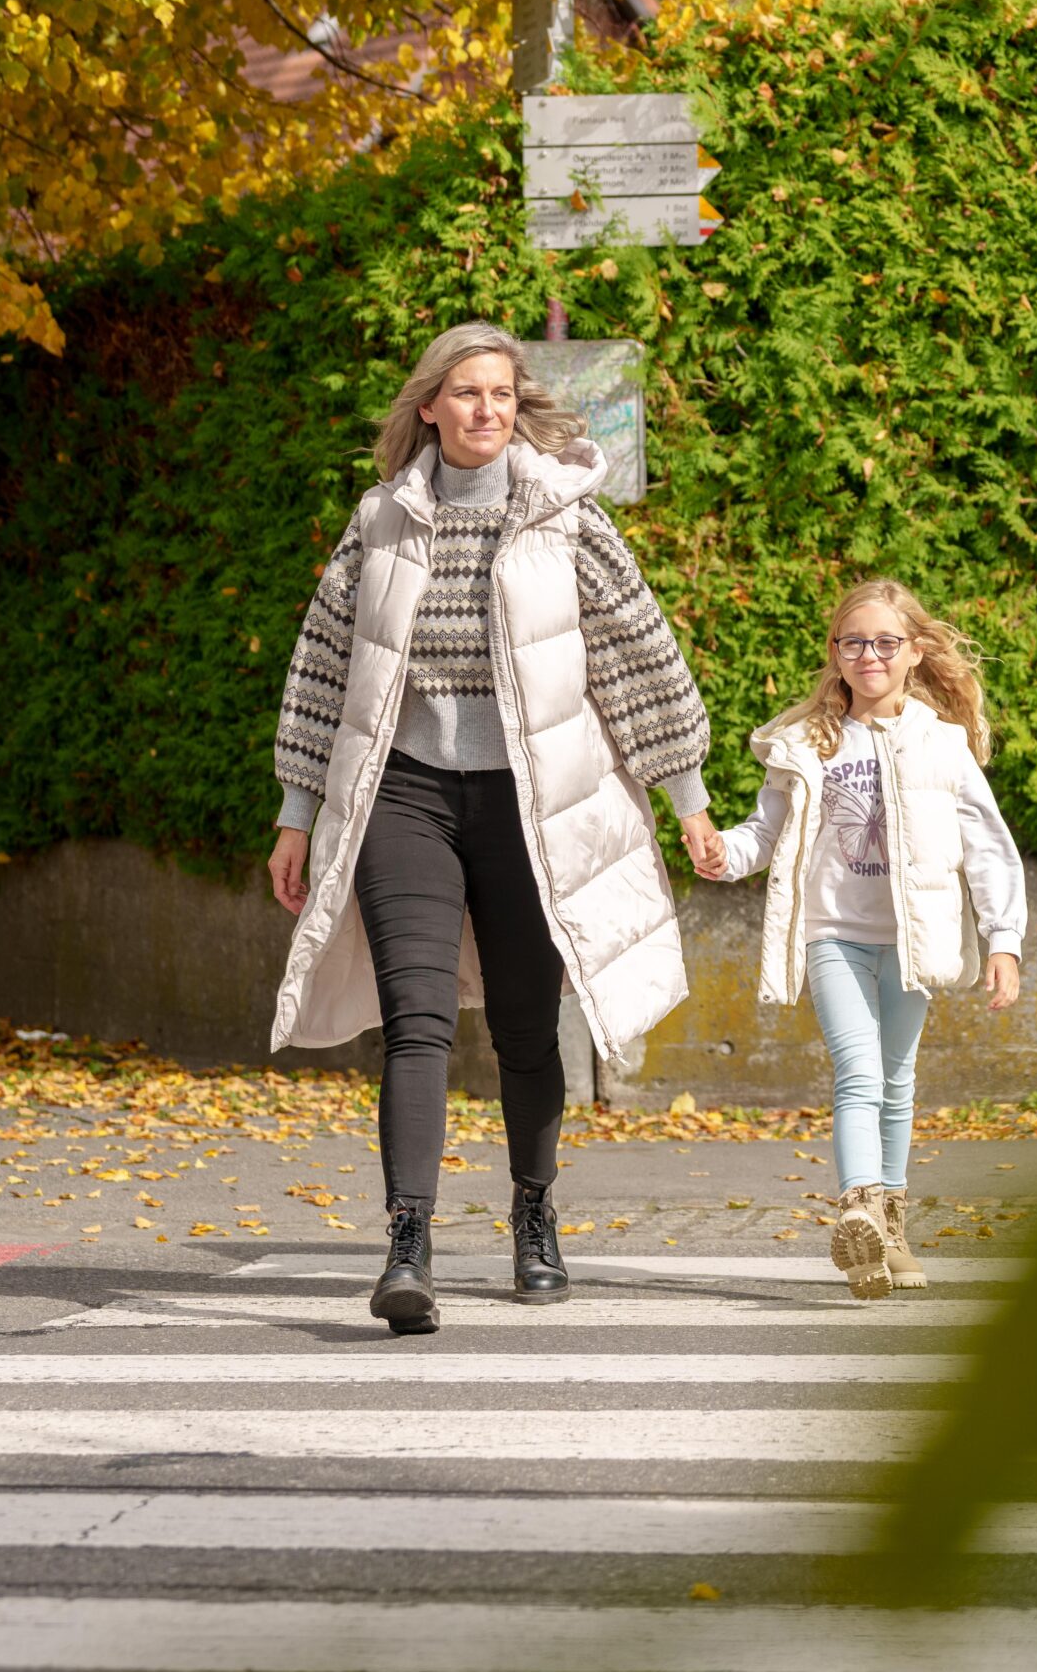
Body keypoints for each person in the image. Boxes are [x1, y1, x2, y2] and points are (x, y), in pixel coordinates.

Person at [266, 321, 718, 1336]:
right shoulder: (380, 521)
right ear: (427, 405)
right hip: (405, 796)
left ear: (519, 407)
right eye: (465, 393)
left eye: (502, 395)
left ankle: (532, 1215)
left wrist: (686, 796)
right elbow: (321, 667)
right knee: (415, 1020)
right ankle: (408, 1242)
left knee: (524, 1025)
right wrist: (298, 813)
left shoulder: (565, 518)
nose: (485, 410)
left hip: (528, 802)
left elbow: (642, 655)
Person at [692, 579, 1026, 1298]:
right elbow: (765, 832)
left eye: (884, 642)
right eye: (853, 642)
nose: (868, 654)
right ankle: (859, 1209)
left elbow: (990, 848)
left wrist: (1004, 940)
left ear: (914, 652)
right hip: (833, 933)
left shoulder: (943, 746)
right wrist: (726, 853)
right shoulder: (808, 741)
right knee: (859, 1070)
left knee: (898, 1082)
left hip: (912, 941)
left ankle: (892, 1227)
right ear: (835, 653)